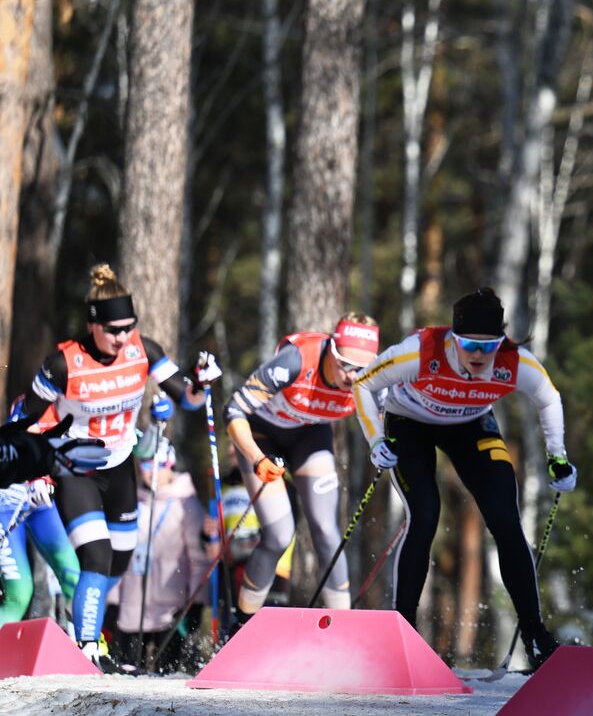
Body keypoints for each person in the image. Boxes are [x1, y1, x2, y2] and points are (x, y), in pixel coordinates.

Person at [352, 288, 574, 669]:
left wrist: (559, 458)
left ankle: (535, 633)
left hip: (471, 425)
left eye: (488, 347)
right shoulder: (419, 351)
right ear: (453, 338)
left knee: (506, 519)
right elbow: (362, 384)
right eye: (469, 344)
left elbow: (549, 398)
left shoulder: (515, 362)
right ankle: (402, 632)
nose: (477, 355)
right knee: (425, 515)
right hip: (410, 423)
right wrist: (376, 440)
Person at [18, 264, 219, 667]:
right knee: (96, 557)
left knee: (120, 560)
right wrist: (35, 468)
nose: (122, 337)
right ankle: (88, 646)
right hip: (74, 468)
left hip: (120, 466)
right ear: (93, 324)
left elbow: (189, 399)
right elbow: (26, 417)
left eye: (129, 327)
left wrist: (202, 382)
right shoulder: (64, 362)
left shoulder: (144, 350)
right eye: (113, 330)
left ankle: (85, 619)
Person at [223, 314, 381, 635]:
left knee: (326, 530)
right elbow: (234, 410)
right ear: (332, 352)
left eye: (363, 369)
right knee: (280, 533)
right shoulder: (297, 360)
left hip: (309, 435)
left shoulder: (373, 379)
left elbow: (398, 417)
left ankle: (342, 635)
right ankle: (240, 630)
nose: (354, 377)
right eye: (347, 366)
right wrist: (256, 459)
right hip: (262, 436)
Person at [110, 439, 208, 671]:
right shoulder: (133, 502)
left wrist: (197, 602)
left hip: (171, 608)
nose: (150, 473)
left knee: (168, 672)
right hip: (132, 606)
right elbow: (117, 554)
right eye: (144, 466)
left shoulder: (188, 505)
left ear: (170, 465)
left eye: (157, 465)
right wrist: (112, 599)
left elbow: (199, 559)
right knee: (125, 672)